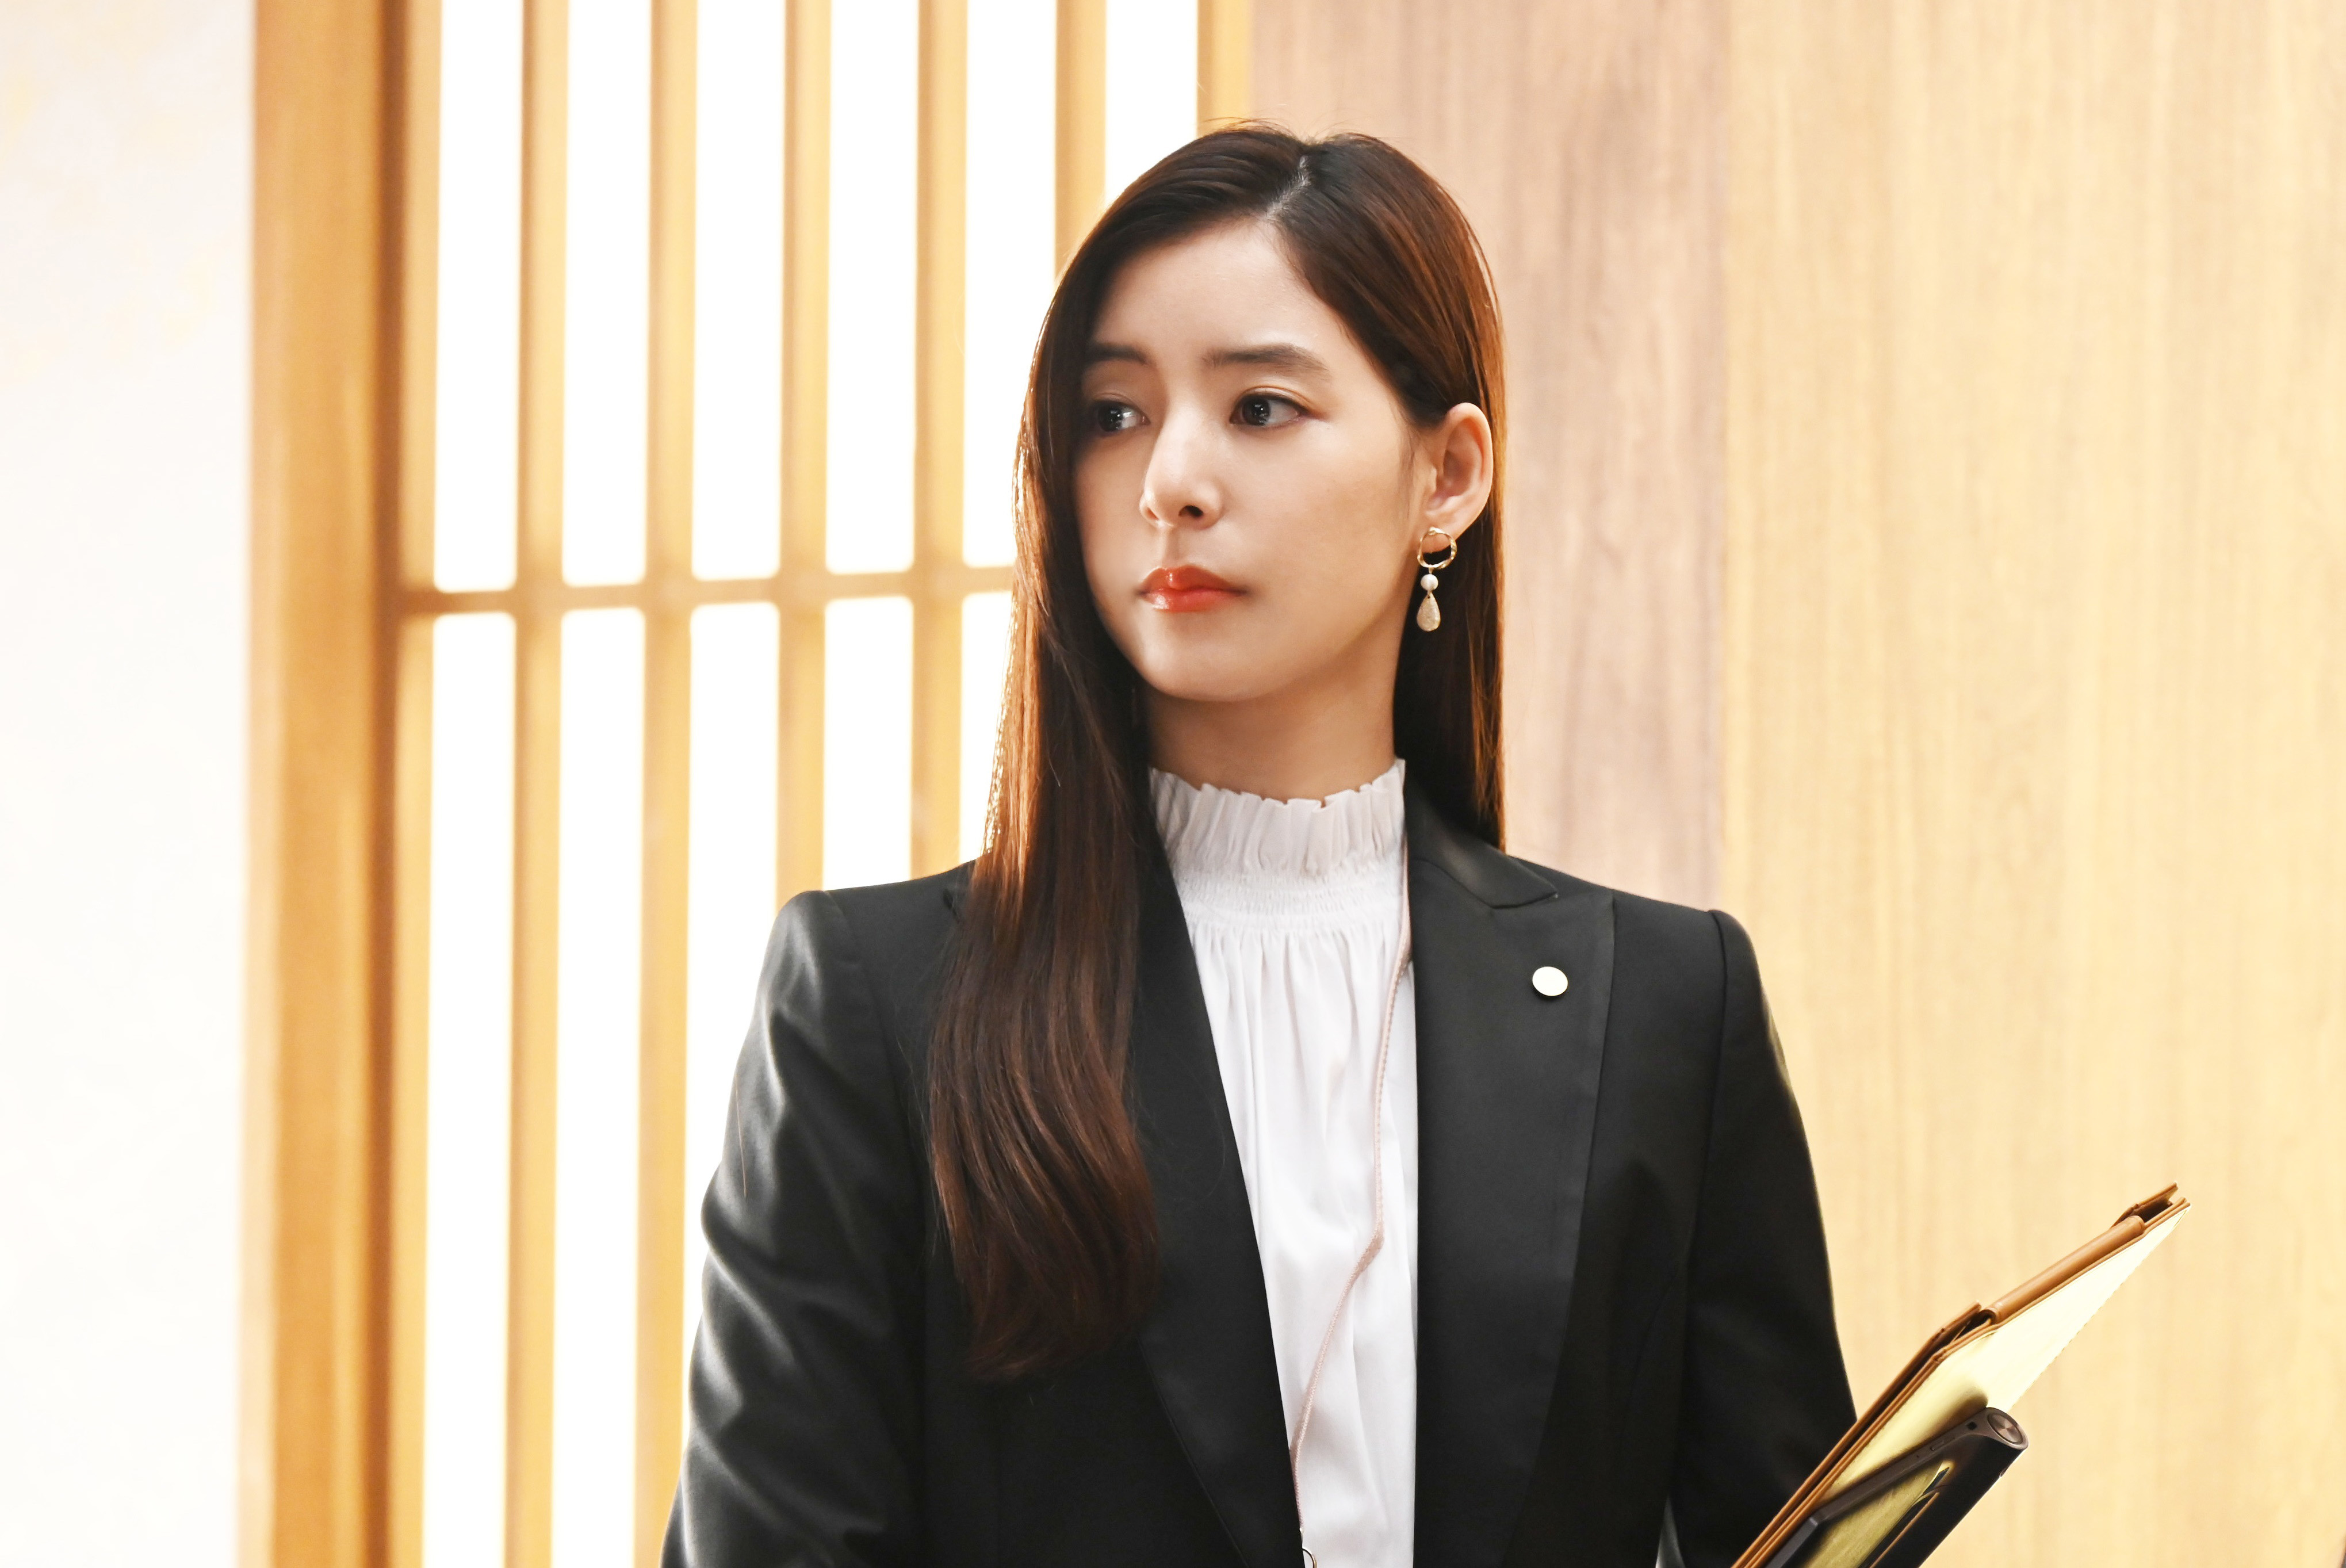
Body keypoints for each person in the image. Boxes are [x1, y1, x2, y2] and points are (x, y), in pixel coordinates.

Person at [665, 127, 1852, 1568]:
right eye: (1113, 413)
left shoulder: (1667, 1004)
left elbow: (1787, 1531)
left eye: (1262, 407)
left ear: (1447, 475)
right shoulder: (875, 1001)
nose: (1170, 478)